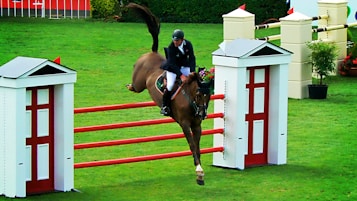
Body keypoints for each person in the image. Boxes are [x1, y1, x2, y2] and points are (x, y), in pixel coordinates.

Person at [160, 29, 196, 116]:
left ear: (182, 39)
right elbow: (172, 64)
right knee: (170, 85)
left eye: (177, 40)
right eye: (174, 40)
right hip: (173, 68)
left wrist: (192, 71)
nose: (175, 42)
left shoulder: (188, 44)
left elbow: (192, 58)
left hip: (184, 66)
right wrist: (181, 75)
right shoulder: (171, 47)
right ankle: (164, 106)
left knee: (193, 81)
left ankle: (196, 104)